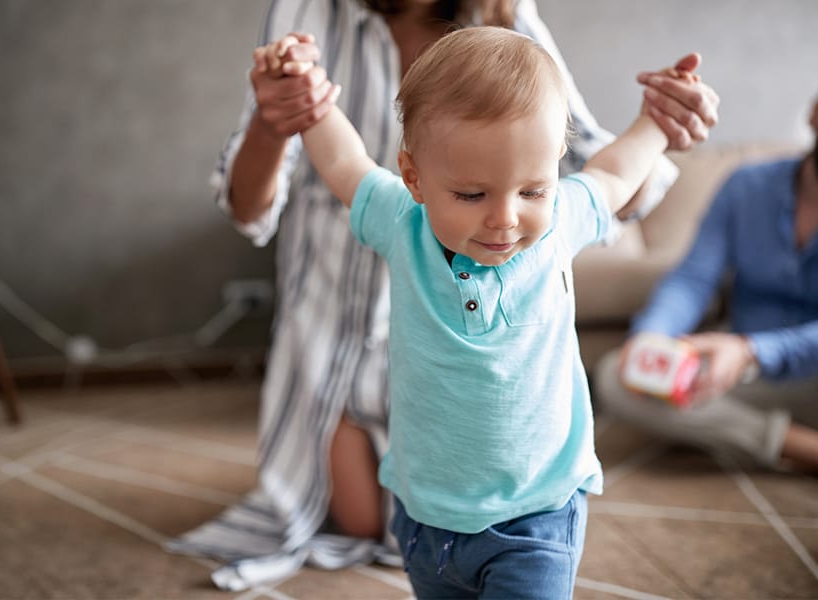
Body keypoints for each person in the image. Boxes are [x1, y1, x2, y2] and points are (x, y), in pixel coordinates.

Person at [166, 0, 720, 592]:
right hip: (426, 517)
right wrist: (307, 94)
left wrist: (657, 124)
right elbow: (344, 160)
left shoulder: (561, 218)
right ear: (414, 178)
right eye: (472, 194)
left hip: (537, 514)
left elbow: (611, 173)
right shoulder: (401, 223)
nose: (505, 220)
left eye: (531, 189)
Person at [596, 96, 818, 473]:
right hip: (734, 371)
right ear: (814, 113)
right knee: (617, 375)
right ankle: (797, 446)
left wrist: (751, 350)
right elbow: (692, 279)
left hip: (803, 373)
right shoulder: (747, 186)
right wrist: (652, 336)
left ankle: (725, 433)